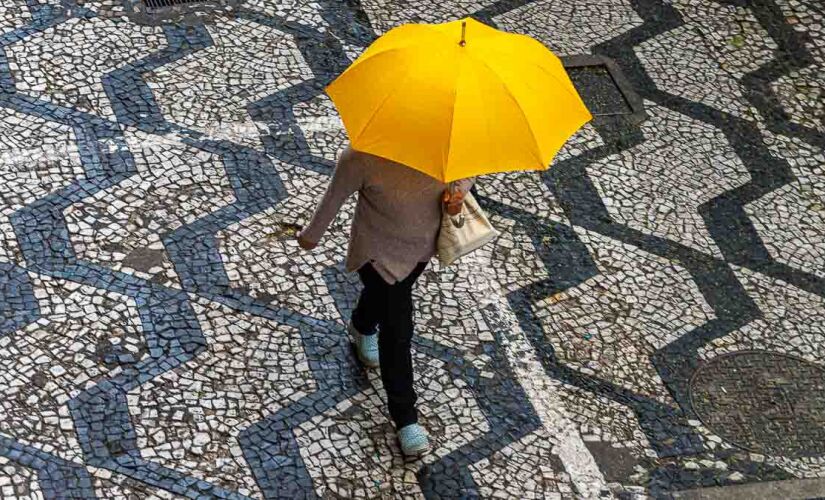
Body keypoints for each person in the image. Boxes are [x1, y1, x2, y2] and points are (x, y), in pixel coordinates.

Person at [297, 145, 471, 457]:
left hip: (419, 253)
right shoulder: (361, 156)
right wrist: (310, 235)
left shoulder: (451, 151)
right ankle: (406, 418)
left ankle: (362, 324)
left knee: (385, 301)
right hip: (376, 255)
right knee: (398, 331)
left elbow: (463, 189)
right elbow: (332, 200)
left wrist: (457, 200)